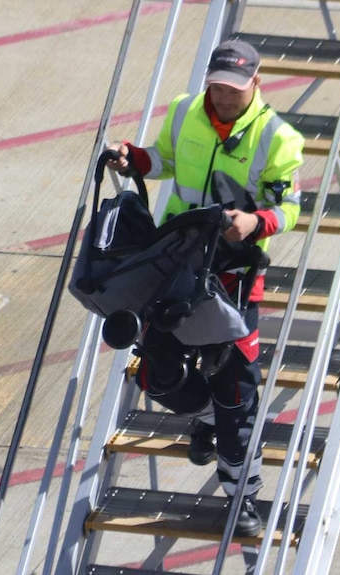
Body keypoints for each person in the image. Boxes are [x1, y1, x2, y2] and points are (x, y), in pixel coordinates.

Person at [106, 39, 304, 536]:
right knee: (157, 374)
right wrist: (133, 158)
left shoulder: (279, 140)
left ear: (255, 85)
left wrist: (254, 223)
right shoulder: (183, 112)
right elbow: (162, 159)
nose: (222, 97)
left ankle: (244, 498)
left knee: (236, 390)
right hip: (176, 266)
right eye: (216, 87)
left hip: (233, 275)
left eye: (234, 90)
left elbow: (290, 210)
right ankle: (207, 417)